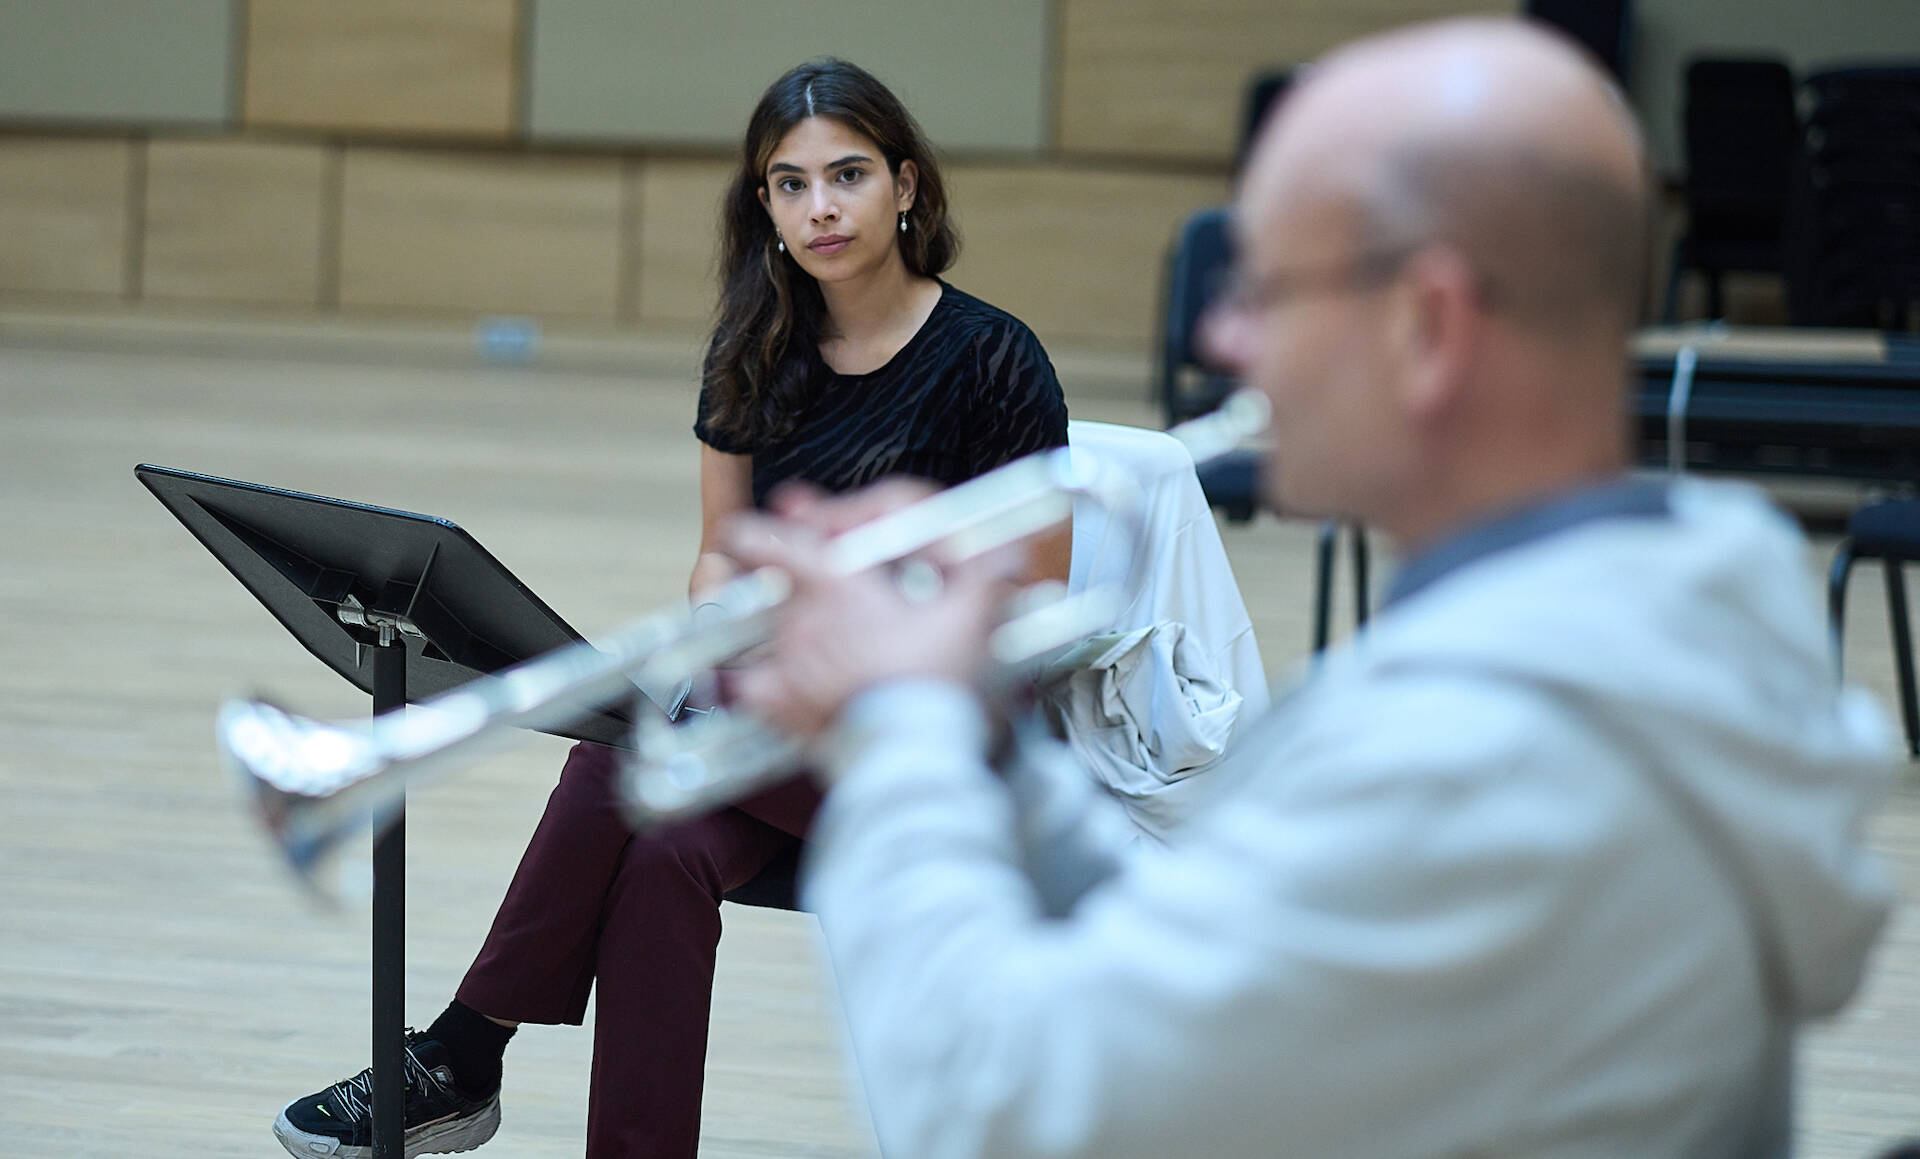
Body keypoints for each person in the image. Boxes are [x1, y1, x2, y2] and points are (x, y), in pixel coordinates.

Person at [725, 18, 1897, 1159]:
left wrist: (903, 734)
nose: (1224, 339)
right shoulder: (1655, 631)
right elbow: (1210, 958)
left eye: (1271, 288)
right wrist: (992, 742)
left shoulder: (1469, 761)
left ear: (1428, 326)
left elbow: (1008, 1108)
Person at [272, 57, 1071, 1159]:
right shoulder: (754, 352)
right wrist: (739, 633)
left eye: (847, 175)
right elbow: (716, 561)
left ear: (906, 185)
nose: (821, 207)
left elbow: (1036, 602)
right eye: (790, 184)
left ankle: (462, 1050)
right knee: (661, 852)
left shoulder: (995, 359)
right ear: (764, 207)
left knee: (621, 757)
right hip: (779, 718)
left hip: (935, 738)